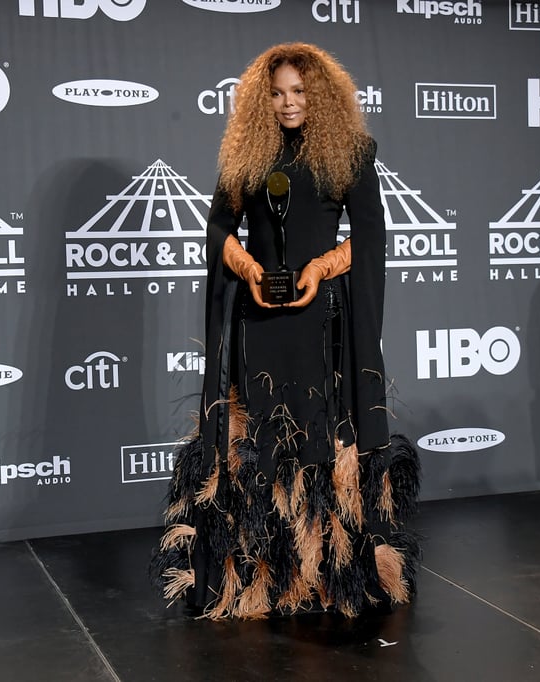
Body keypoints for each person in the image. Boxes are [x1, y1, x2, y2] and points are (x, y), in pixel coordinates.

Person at [150, 42, 420, 620]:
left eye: (298, 91)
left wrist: (321, 267)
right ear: (260, 99)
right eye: (276, 93)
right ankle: (263, 579)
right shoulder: (246, 156)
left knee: (321, 441)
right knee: (264, 444)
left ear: (317, 94)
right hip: (262, 321)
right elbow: (219, 230)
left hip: (321, 325)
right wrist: (248, 271)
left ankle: (327, 572)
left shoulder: (351, 152)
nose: (288, 102)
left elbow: (371, 237)